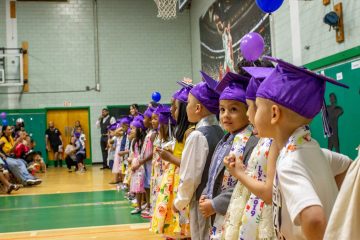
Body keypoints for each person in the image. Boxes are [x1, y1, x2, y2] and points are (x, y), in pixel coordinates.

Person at [254, 56, 348, 240]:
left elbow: (314, 219)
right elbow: (349, 167)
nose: (253, 114)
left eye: (257, 107)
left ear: (274, 113)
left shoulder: (289, 163)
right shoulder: (316, 151)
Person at [199, 71, 259, 239]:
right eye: (222, 109)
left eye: (233, 109)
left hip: (235, 214)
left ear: (248, 112)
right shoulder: (225, 140)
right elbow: (213, 174)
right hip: (216, 212)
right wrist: (206, 192)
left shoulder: (251, 143)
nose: (225, 115)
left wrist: (215, 204)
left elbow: (245, 184)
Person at [173, 72, 224, 240]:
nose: (185, 107)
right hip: (217, 200)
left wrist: (179, 202)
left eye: (188, 103)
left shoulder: (197, 136)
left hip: (201, 201)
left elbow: (190, 177)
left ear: (197, 108)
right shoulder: (221, 132)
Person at [128, 116, 147, 214]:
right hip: (135, 166)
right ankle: (139, 206)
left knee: (141, 187)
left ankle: (145, 205)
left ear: (139, 129)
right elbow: (134, 154)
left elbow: (142, 155)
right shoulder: (134, 141)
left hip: (140, 166)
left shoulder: (142, 141)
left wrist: (137, 164)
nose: (131, 131)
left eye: (133, 128)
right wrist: (131, 160)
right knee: (136, 186)